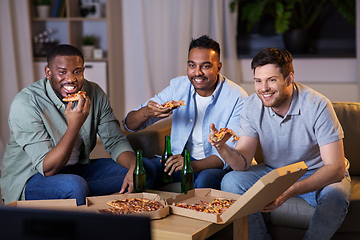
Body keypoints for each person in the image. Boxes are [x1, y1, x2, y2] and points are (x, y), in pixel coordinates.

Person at [209, 47, 351, 239]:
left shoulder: (317, 105)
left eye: (271, 80)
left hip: (317, 171)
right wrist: (221, 147)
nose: (263, 88)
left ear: (289, 79)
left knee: (336, 194)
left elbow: (336, 168)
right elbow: (242, 162)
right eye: (258, 81)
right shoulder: (251, 105)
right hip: (276, 171)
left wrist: (287, 191)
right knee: (231, 181)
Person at [0, 44, 155, 205]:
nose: (71, 79)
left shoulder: (94, 92)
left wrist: (133, 167)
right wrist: (74, 125)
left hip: (76, 170)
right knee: (74, 186)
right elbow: (48, 168)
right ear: (48, 72)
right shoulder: (26, 103)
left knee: (144, 169)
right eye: (62, 72)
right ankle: (83, 212)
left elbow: (115, 141)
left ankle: (109, 209)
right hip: (31, 178)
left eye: (77, 71)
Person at [123, 35, 248, 190]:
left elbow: (231, 153)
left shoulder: (237, 97)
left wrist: (189, 164)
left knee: (204, 182)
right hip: (179, 161)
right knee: (142, 169)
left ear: (218, 67)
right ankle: (142, 212)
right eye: (192, 65)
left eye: (206, 66)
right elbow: (129, 124)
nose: (197, 73)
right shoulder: (178, 87)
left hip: (213, 167)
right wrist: (148, 112)